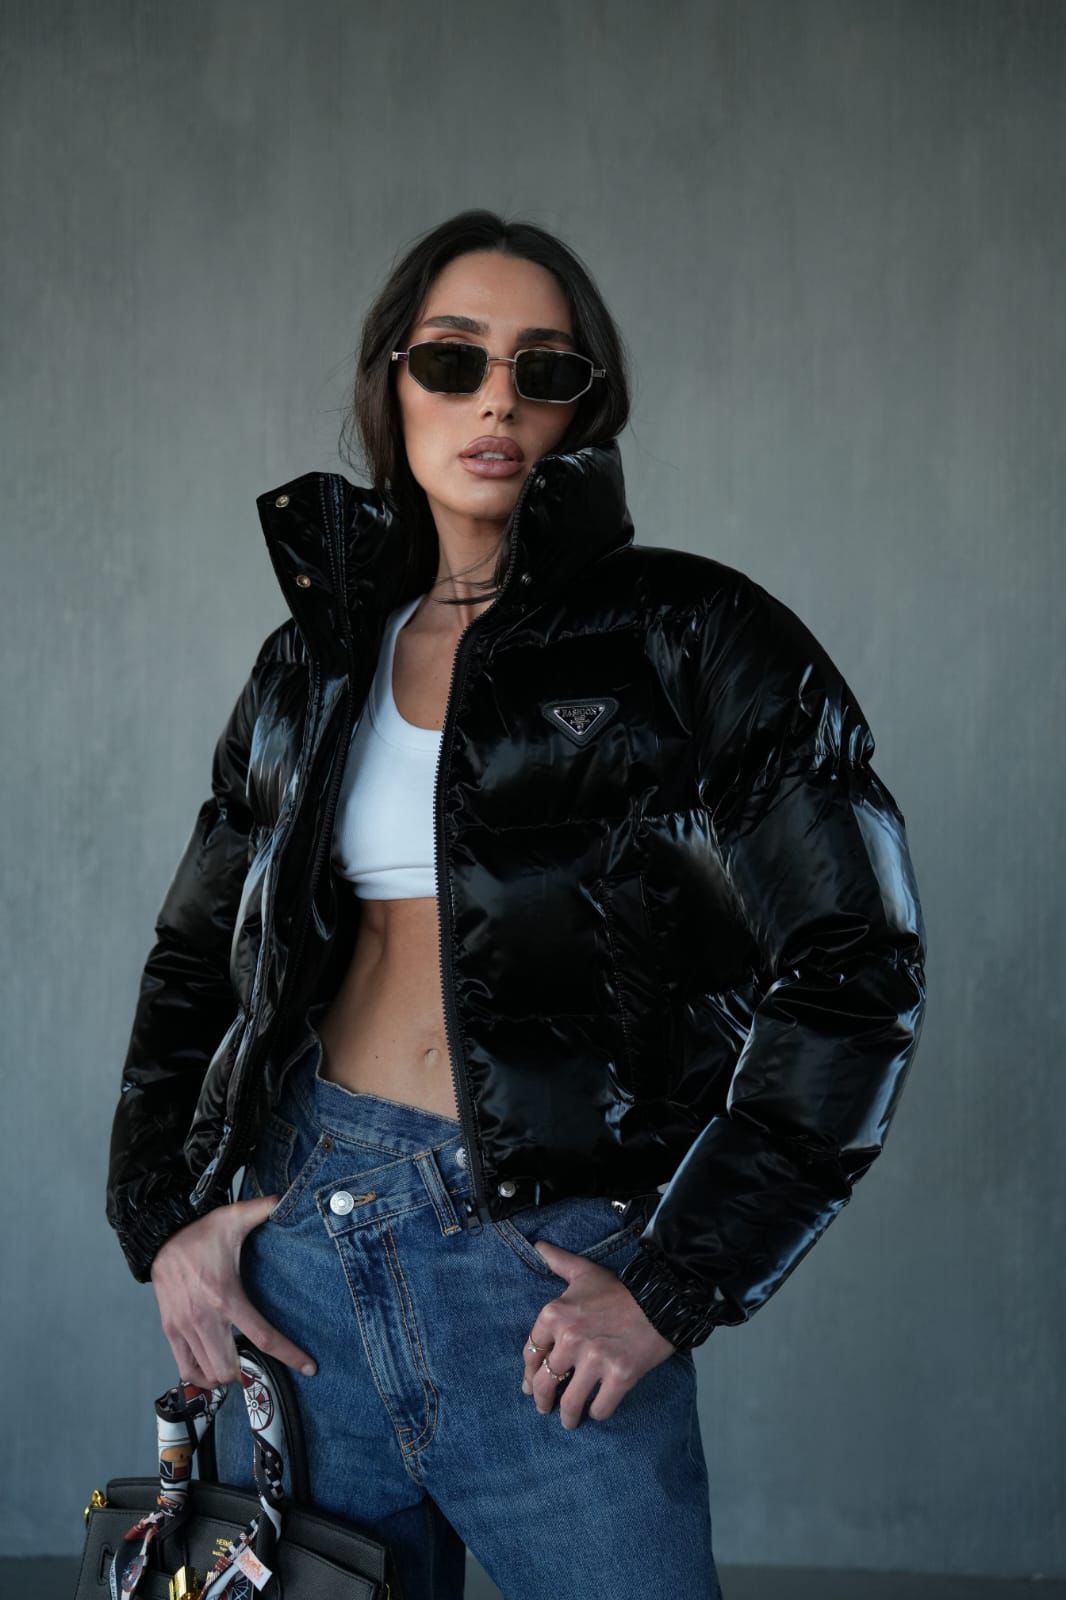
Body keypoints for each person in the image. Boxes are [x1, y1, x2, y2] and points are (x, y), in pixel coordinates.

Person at [105, 208, 927, 1600]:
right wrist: (163, 1224)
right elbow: (199, 958)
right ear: (393, 382)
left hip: (544, 1278)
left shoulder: (694, 632)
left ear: (581, 409)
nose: (495, 399)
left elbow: (855, 963)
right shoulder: (311, 664)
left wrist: (675, 1281)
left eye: (541, 370)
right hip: (303, 1256)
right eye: (453, 359)